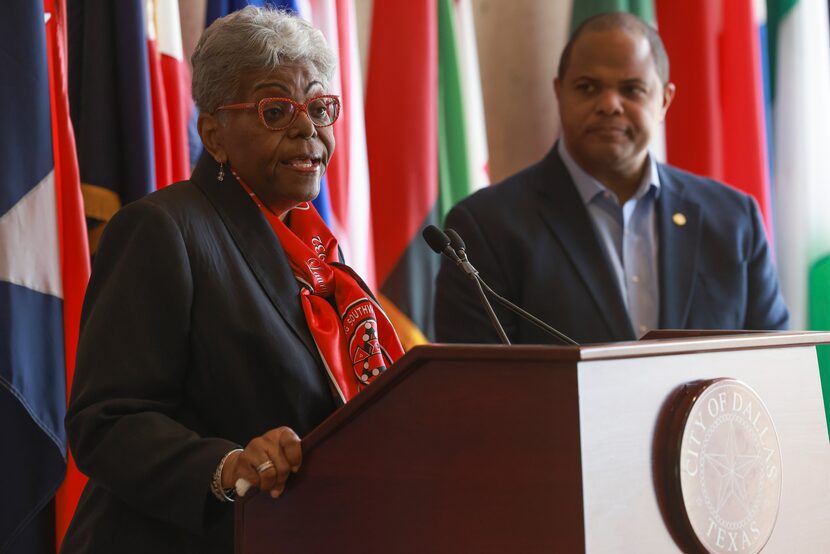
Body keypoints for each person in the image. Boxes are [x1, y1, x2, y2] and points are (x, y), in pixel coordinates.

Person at [61, 7, 402, 553]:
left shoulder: (319, 256)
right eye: (275, 110)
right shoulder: (163, 229)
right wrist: (227, 465)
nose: (306, 128)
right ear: (213, 135)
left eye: (319, 107)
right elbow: (106, 423)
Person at [434, 12, 789, 345]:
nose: (609, 105)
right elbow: (479, 392)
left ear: (664, 101)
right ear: (559, 92)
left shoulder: (734, 219)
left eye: (632, 89)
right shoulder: (485, 227)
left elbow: (775, 367)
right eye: (588, 88)